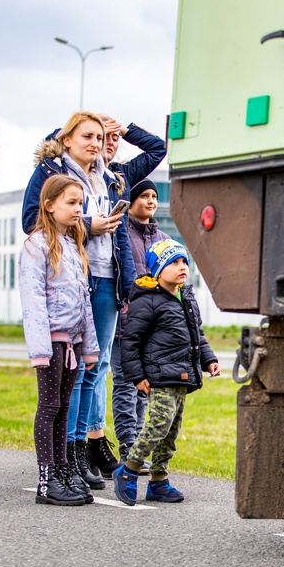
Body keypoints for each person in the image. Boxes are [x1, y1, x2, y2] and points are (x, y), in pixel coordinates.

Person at [21, 112, 166, 489]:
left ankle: (80, 450)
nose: (96, 143)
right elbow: (31, 220)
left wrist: (126, 128)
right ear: (67, 139)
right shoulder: (54, 170)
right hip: (72, 275)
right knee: (72, 373)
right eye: (87, 136)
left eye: (100, 137)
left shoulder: (112, 175)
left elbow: (157, 149)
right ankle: (62, 456)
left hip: (108, 276)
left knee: (96, 366)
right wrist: (89, 225)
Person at [112, 240, 220, 506]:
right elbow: (131, 341)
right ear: (158, 271)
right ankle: (128, 470)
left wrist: (209, 360)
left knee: (170, 432)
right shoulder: (147, 301)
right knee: (159, 423)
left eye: (184, 262)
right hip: (158, 376)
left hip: (182, 376)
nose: (182, 267)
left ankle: (159, 481)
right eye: (174, 263)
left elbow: (198, 336)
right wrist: (137, 376)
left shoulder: (188, 298)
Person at [18, 175, 100, 506]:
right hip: (50, 342)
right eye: (71, 202)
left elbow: (84, 302)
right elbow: (33, 301)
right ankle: (46, 478)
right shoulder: (36, 246)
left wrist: (89, 346)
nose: (78, 209)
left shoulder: (74, 245)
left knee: (64, 407)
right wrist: (40, 349)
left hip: (73, 341)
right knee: (49, 406)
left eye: (80, 203)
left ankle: (64, 470)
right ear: (50, 206)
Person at [110, 178, 172, 467]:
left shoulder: (162, 239)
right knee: (125, 384)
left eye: (154, 196)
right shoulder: (121, 232)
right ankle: (127, 444)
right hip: (125, 322)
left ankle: (137, 448)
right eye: (144, 196)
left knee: (144, 389)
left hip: (153, 326)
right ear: (131, 201)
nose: (150, 201)